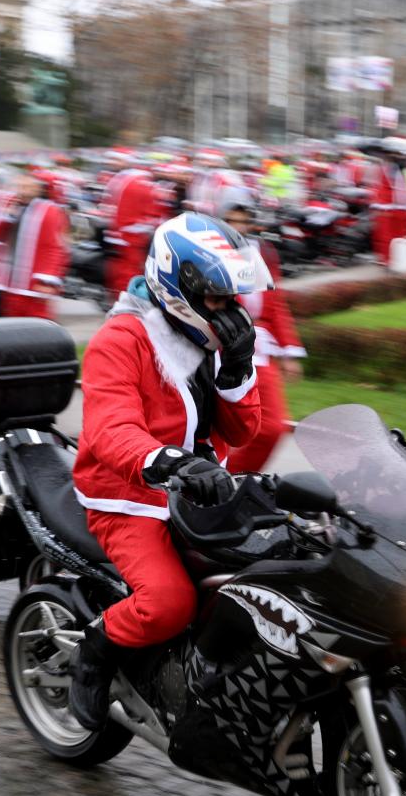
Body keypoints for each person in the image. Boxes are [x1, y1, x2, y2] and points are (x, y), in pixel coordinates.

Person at [68, 212, 264, 730]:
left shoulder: (208, 341)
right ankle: (96, 649)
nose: (230, 312)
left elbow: (243, 433)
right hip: (129, 496)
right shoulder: (121, 340)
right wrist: (168, 461)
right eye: (219, 300)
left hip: (201, 494)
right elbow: (110, 431)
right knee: (169, 603)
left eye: (233, 300)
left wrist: (239, 372)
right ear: (181, 289)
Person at [220, 196, 304, 474]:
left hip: (261, 352)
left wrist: (289, 349)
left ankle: (232, 479)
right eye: (232, 220)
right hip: (221, 348)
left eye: (244, 220)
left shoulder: (261, 253)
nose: (239, 226)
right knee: (218, 428)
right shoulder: (210, 252)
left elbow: (275, 303)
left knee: (271, 428)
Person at [0, 172, 69, 319]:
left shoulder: (49, 210)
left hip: (33, 283)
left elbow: (54, 246)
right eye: (20, 186)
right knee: (10, 321)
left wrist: (47, 279)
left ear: (39, 188)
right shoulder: (17, 207)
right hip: (11, 282)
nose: (22, 189)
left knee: (35, 322)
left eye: (28, 186)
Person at [104, 161, 165, 298]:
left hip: (119, 234)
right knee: (130, 272)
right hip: (132, 238)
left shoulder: (123, 179)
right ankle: (129, 299)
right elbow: (154, 213)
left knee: (120, 271)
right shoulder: (143, 183)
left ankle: (118, 297)